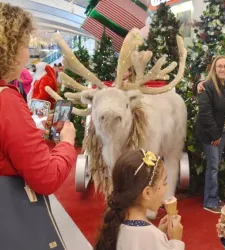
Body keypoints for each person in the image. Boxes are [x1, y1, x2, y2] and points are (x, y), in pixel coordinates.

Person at [0, 3, 77, 248]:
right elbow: (46, 178)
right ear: (9, 48)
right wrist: (66, 144)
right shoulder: (6, 101)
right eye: (24, 44)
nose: (26, 54)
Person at [94, 149, 185, 250]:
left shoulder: (115, 226)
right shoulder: (154, 237)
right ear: (147, 192)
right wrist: (176, 241)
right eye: (164, 183)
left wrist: (158, 232)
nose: (167, 188)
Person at [194, 55, 225, 213]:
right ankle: (210, 202)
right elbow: (205, 113)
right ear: (214, 68)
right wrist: (215, 135)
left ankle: (214, 196)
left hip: (221, 134)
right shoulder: (208, 86)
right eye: (220, 66)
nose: (223, 69)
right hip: (211, 135)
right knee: (213, 167)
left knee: (215, 166)